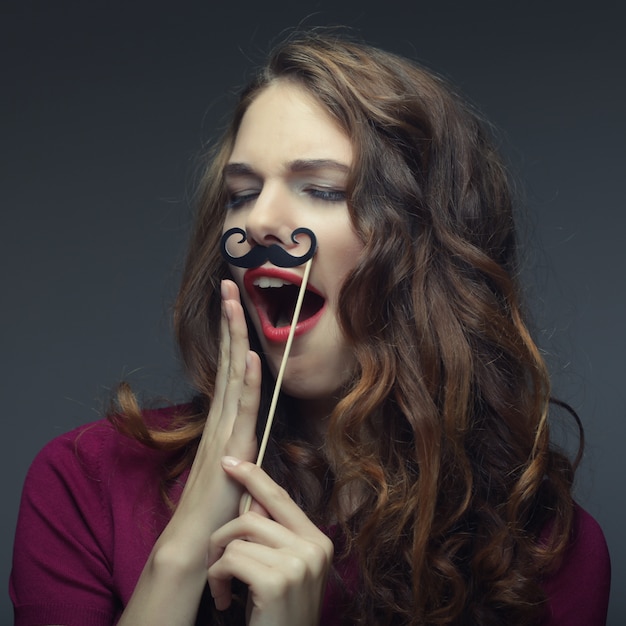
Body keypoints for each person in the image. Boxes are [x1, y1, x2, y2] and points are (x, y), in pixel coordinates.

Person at [10, 31, 611, 626]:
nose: (261, 221)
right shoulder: (84, 481)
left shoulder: (544, 552)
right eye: (241, 194)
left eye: (322, 189)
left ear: (431, 244)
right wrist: (177, 559)